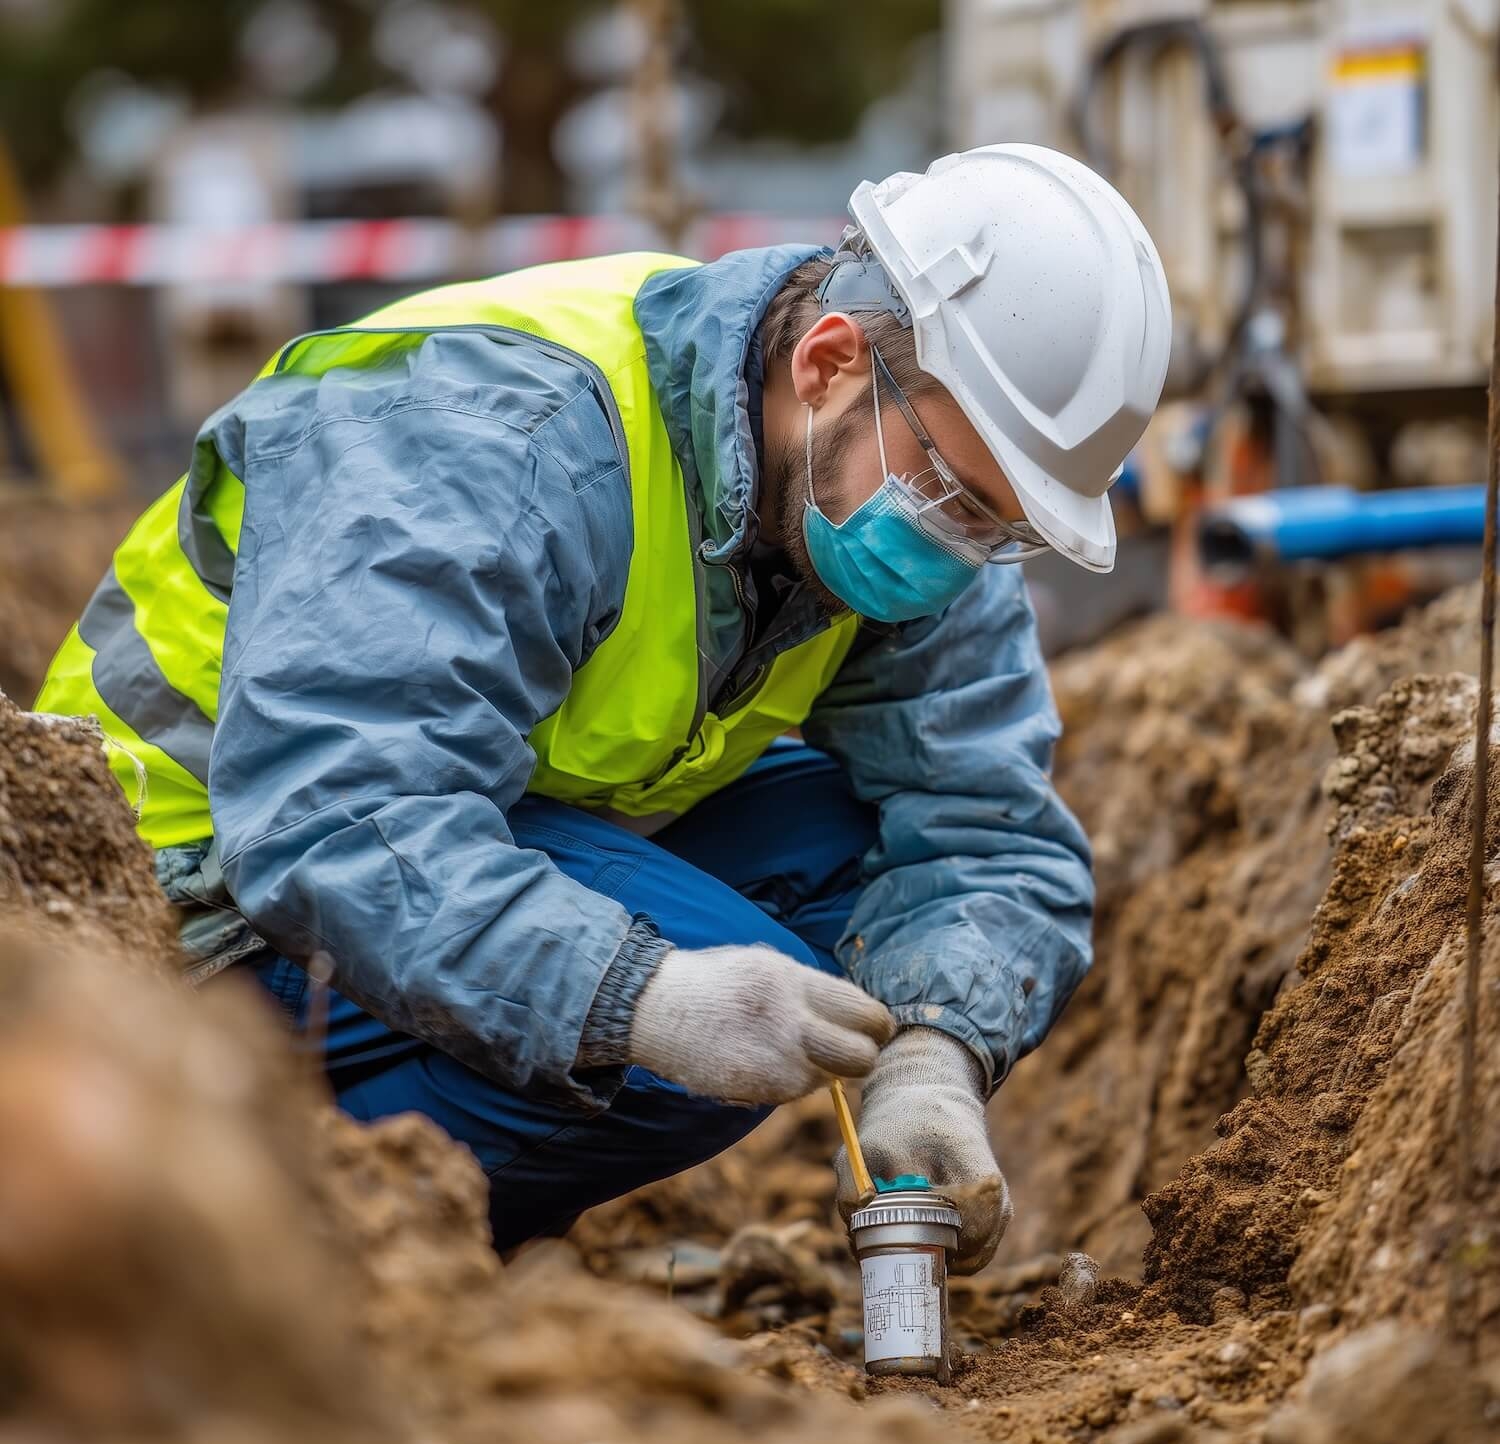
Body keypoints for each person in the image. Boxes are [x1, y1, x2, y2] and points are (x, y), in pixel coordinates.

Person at [38, 144, 1171, 1274]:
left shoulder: (888, 482)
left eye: (1002, 529)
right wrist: (638, 995)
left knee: (853, 860)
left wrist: (933, 1057)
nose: (958, 552)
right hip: (190, 891)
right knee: (693, 1014)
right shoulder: (498, 437)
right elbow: (339, 814)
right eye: (953, 499)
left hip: (470, 816)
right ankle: (326, 1242)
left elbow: (987, 830)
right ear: (829, 361)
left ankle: (421, 1216)